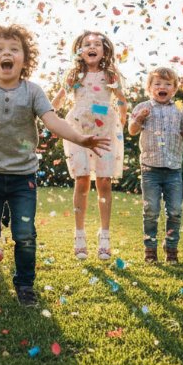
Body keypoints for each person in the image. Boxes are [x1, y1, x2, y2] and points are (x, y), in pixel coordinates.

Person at [0, 25, 111, 307]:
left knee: (25, 234)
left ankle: (25, 285)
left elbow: (52, 120)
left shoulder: (33, 91)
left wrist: (80, 138)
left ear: (24, 59)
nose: (7, 53)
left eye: (14, 49)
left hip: (23, 178)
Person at [51, 31, 127, 261]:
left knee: (104, 181)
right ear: (79, 50)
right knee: (82, 179)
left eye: (97, 44)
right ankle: (80, 235)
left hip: (105, 130)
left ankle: (104, 237)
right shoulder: (74, 74)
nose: (91, 47)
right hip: (77, 130)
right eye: (86, 44)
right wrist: (48, 116)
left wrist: (120, 123)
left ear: (104, 51)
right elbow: (58, 100)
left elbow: (122, 101)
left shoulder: (111, 74)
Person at [128, 67, 183, 263]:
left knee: (175, 210)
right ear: (150, 88)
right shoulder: (143, 107)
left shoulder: (178, 108)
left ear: (174, 89)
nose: (163, 87)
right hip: (150, 169)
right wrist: (139, 119)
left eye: (168, 84)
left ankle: (171, 248)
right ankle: (150, 249)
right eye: (158, 84)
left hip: (173, 170)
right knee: (151, 210)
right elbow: (132, 130)